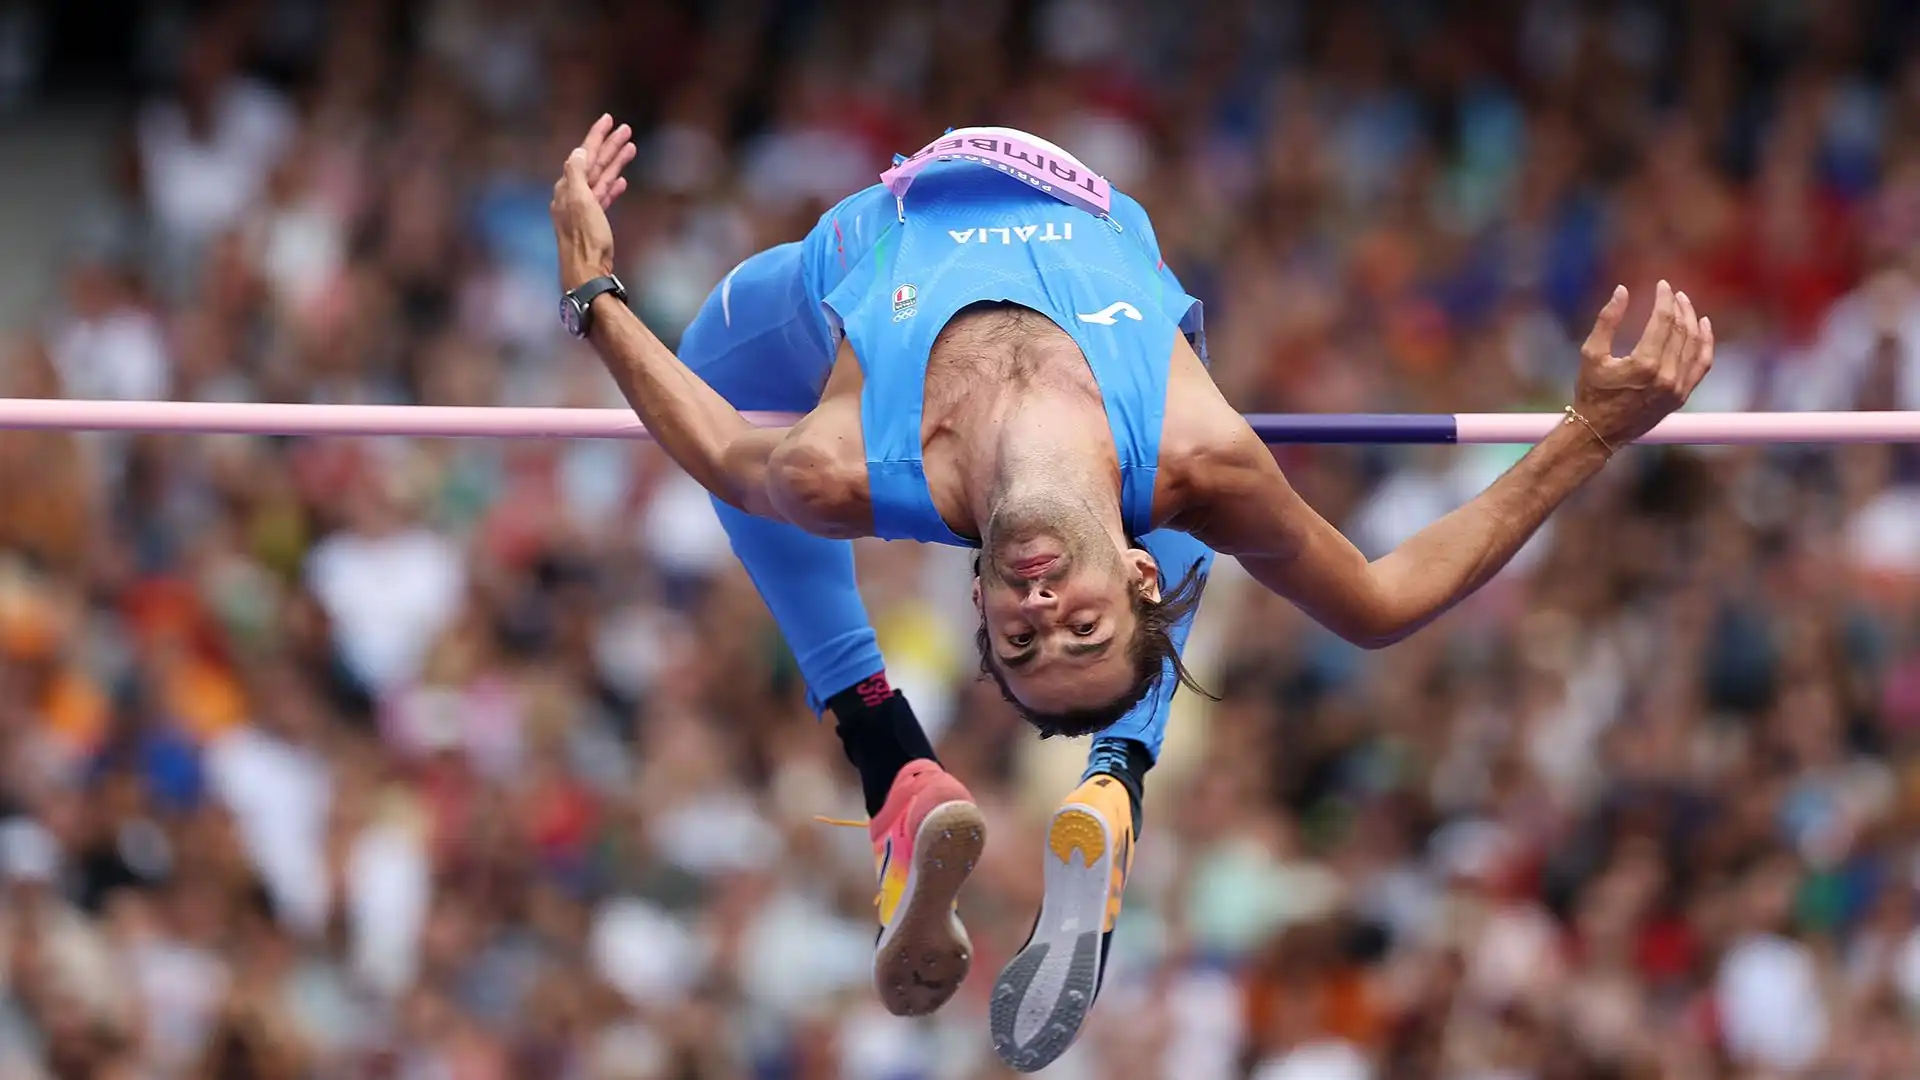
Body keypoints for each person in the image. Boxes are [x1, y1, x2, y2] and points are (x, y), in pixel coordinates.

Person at [547, 116, 1713, 1071]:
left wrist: (594, 287)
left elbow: (709, 438)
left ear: (982, 604)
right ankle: (1120, 779)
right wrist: (1589, 436)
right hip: (1111, 308)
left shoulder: (854, 462)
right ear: (1135, 578)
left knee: (713, 367)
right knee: (1169, 486)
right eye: (1080, 627)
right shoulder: (1205, 459)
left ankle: (890, 762)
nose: (1044, 610)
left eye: (1023, 636)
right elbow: (1380, 601)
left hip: (870, 242)